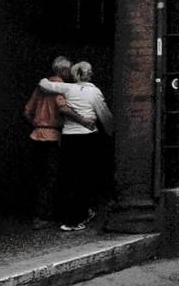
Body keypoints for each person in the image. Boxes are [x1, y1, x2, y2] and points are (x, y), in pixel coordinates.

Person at [38, 61, 113, 231]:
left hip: (69, 137)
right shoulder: (94, 92)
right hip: (87, 137)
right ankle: (78, 217)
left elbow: (43, 84)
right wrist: (112, 132)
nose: (92, 74)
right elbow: (105, 115)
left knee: (69, 177)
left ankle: (68, 218)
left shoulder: (67, 88)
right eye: (91, 71)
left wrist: (50, 78)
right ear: (87, 74)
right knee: (84, 178)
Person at [23, 55, 74, 229]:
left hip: (36, 135)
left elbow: (27, 111)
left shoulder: (40, 89)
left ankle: (38, 213)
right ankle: (44, 215)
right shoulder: (60, 89)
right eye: (69, 70)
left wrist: (38, 124)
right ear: (63, 70)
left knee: (39, 176)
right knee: (51, 178)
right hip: (53, 137)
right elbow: (63, 109)